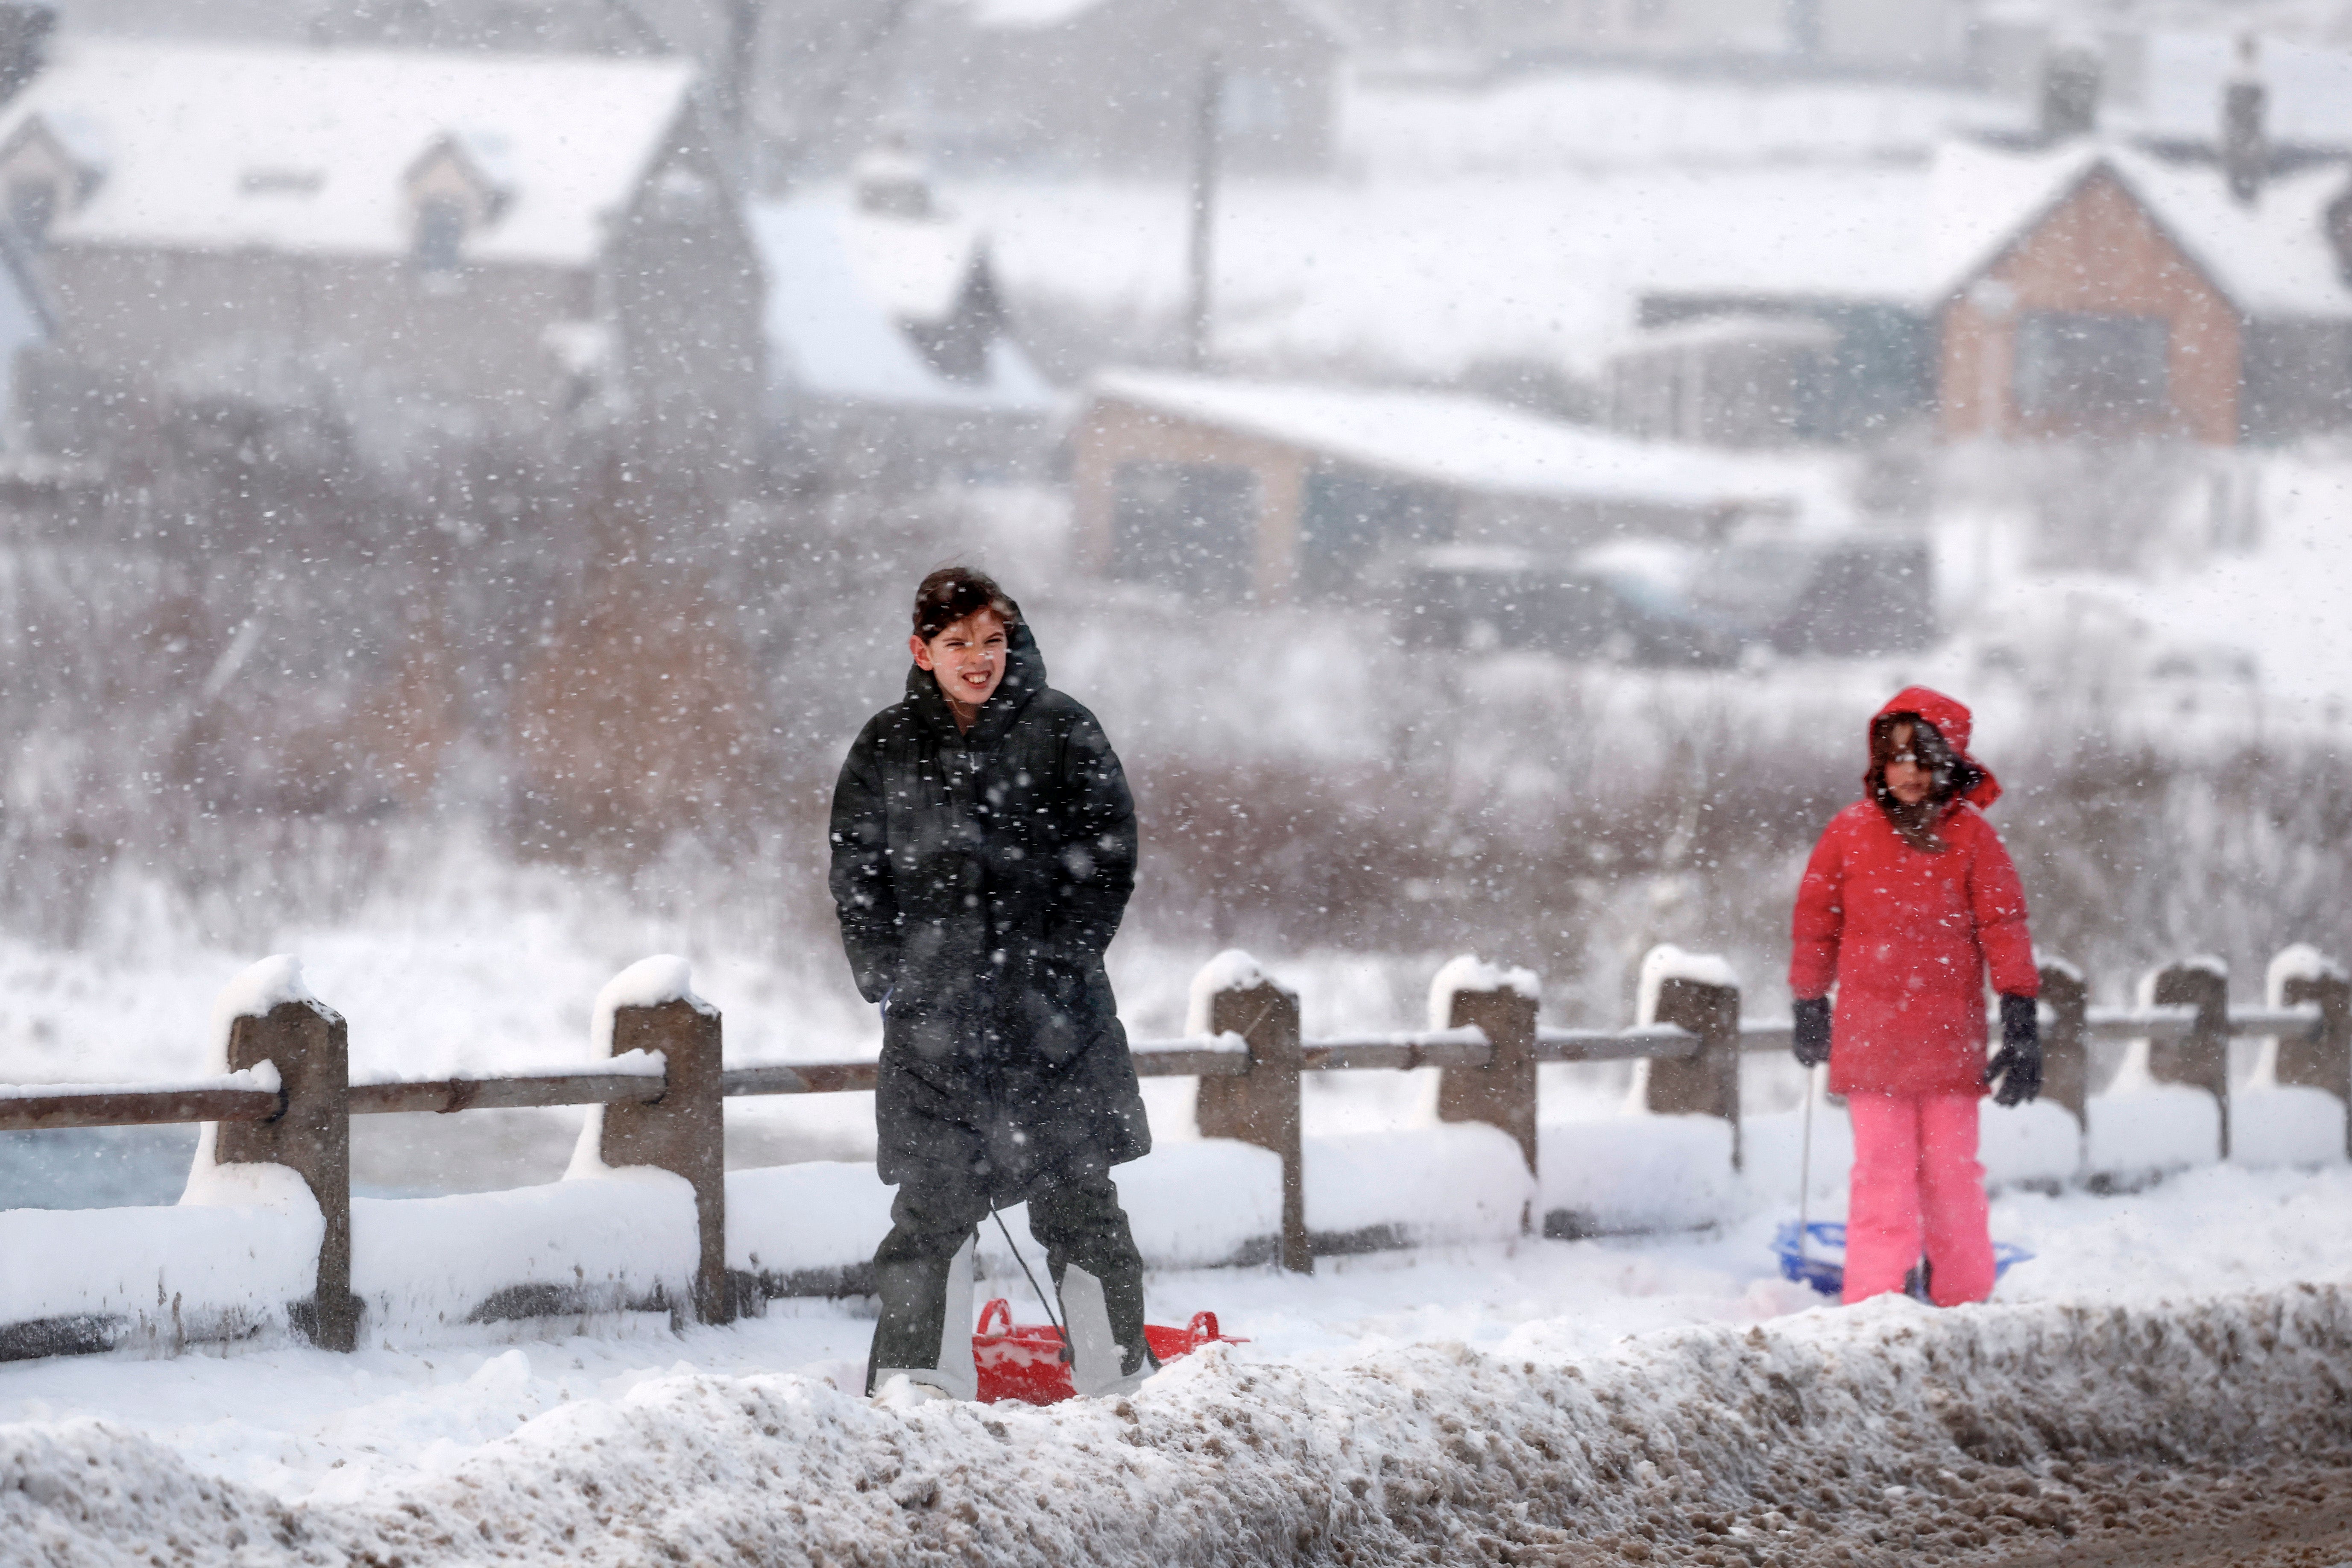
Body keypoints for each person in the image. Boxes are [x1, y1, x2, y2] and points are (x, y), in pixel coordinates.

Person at [829, 567, 1156, 1400]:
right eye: (958, 643)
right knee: (930, 1215)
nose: (979, 658)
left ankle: (1119, 1389)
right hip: (935, 1031)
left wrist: (1064, 961)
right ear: (922, 649)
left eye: (992, 640)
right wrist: (888, 979)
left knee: (1082, 1204)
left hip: (1058, 1026)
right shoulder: (886, 746)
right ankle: (915, 1398)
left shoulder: (1065, 731)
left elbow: (1109, 859)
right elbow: (858, 875)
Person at [1788, 687, 2042, 1307]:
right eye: (1896, 758)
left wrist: (2020, 1015)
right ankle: (1873, 1303)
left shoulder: (1975, 841)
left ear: (1947, 765)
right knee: (1881, 1177)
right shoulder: (1848, 833)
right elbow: (1817, 921)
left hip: (1950, 1043)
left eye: (1922, 759)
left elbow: (2004, 927)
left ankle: (1964, 1301)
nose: (1907, 772)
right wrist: (1809, 1000)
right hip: (1871, 1040)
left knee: (1953, 1177)